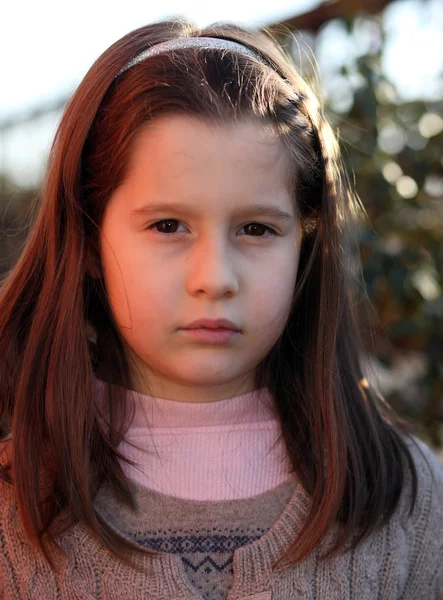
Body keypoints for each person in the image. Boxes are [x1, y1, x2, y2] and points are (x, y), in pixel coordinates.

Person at [0, 17, 441, 600]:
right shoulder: (14, 507)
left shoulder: (409, 498)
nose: (215, 278)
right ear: (87, 242)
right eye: (168, 225)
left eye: (256, 228)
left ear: (305, 246)